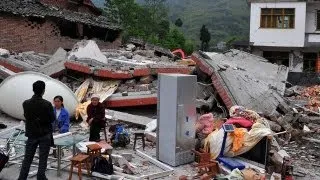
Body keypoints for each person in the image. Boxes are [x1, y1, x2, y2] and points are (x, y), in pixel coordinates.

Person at [18, 81, 55, 180]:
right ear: (43, 90)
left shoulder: (25, 103)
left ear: (33, 90)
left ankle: (22, 177)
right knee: (43, 159)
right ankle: (40, 177)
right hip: (44, 134)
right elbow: (52, 119)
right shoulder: (47, 104)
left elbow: (27, 117)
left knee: (27, 159)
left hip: (31, 134)